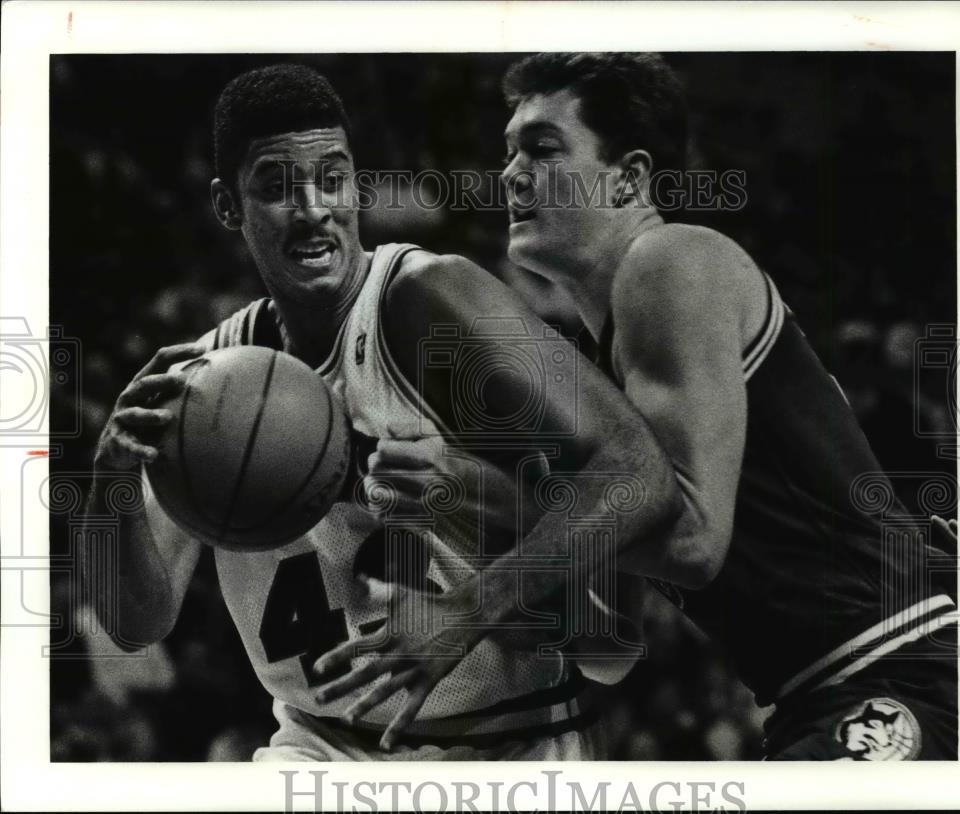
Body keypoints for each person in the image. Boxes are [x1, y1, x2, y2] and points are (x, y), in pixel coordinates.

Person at [313, 53, 958, 761]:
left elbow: (691, 542)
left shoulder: (671, 262)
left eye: (543, 148)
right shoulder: (602, 375)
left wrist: (474, 566)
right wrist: (458, 502)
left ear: (629, 177)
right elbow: (607, 648)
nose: (510, 173)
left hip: (901, 662)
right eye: (507, 152)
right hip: (818, 691)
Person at [83, 62, 676, 761]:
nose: (312, 209)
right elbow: (135, 625)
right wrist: (111, 479)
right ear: (226, 205)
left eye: (331, 178)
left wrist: (469, 607)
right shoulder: (208, 379)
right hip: (315, 750)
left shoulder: (431, 301)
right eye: (276, 188)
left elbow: (641, 472)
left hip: (507, 746)